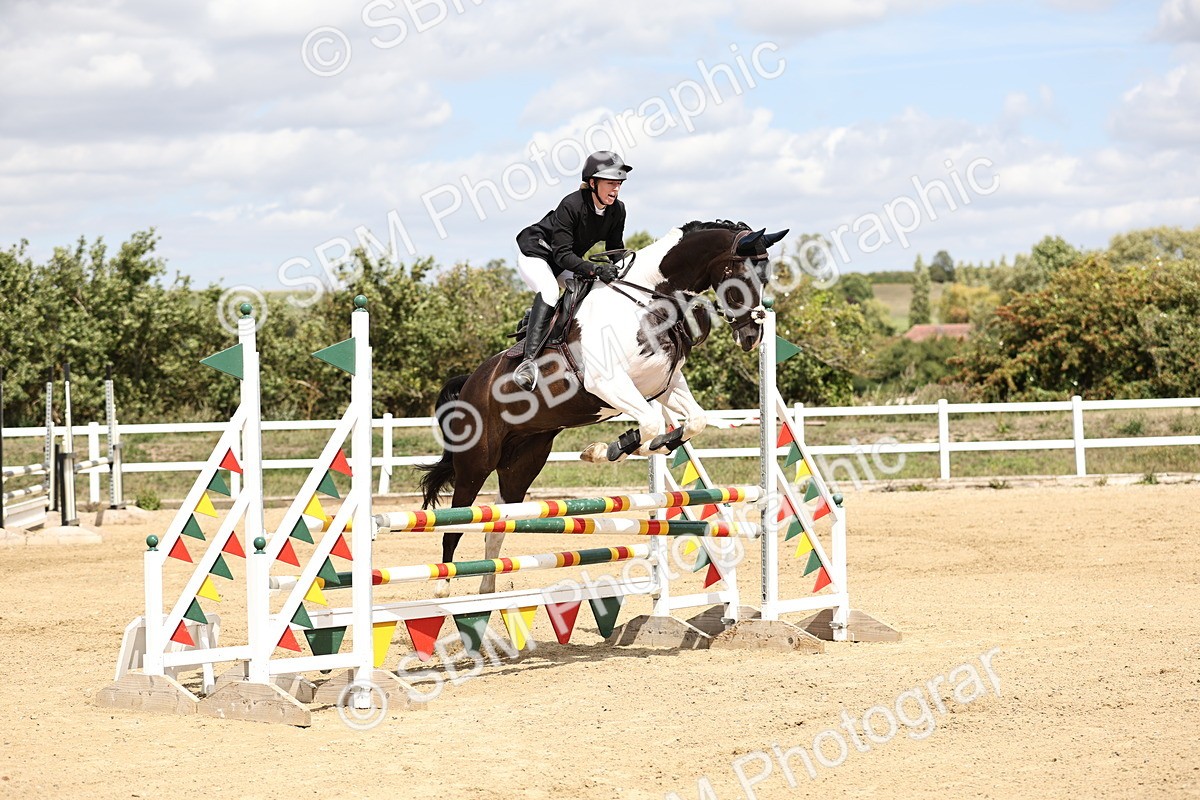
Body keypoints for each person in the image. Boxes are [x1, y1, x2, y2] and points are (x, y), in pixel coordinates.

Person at [512, 150, 632, 391]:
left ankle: (569, 348)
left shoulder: (617, 210)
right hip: (537, 254)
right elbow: (562, 254)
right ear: (593, 183)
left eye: (618, 184)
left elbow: (615, 250)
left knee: (591, 292)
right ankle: (527, 363)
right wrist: (596, 269)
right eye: (610, 183)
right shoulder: (572, 204)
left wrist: (623, 273)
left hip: (564, 260)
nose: (616, 190)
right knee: (548, 291)